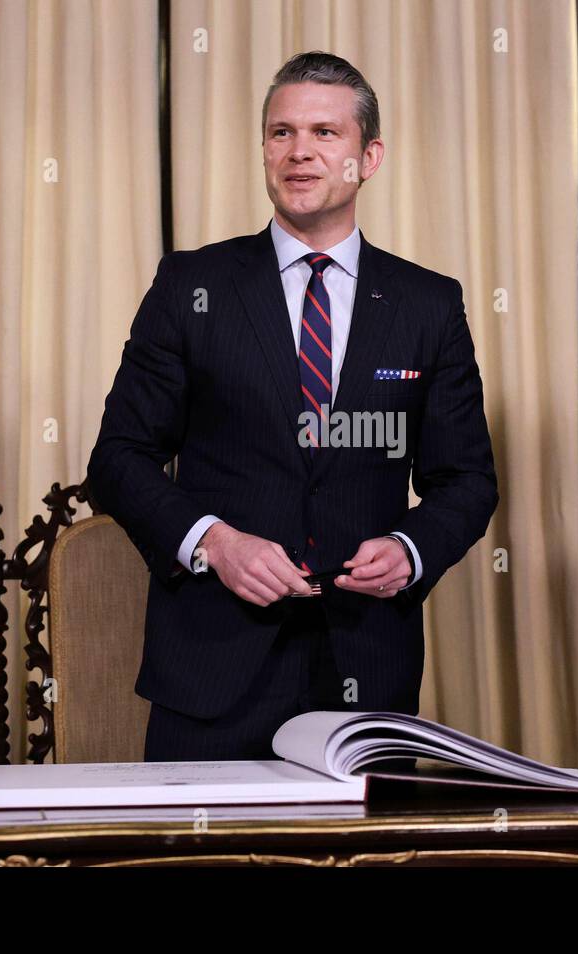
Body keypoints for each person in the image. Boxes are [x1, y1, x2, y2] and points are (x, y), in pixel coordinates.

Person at [87, 50, 498, 761]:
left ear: (369, 156)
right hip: (210, 672)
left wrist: (410, 549)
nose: (298, 151)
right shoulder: (192, 285)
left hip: (367, 673)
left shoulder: (429, 304)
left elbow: (466, 480)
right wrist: (214, 542)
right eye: (280, 133)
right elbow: (118, 460)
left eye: (323, 133)